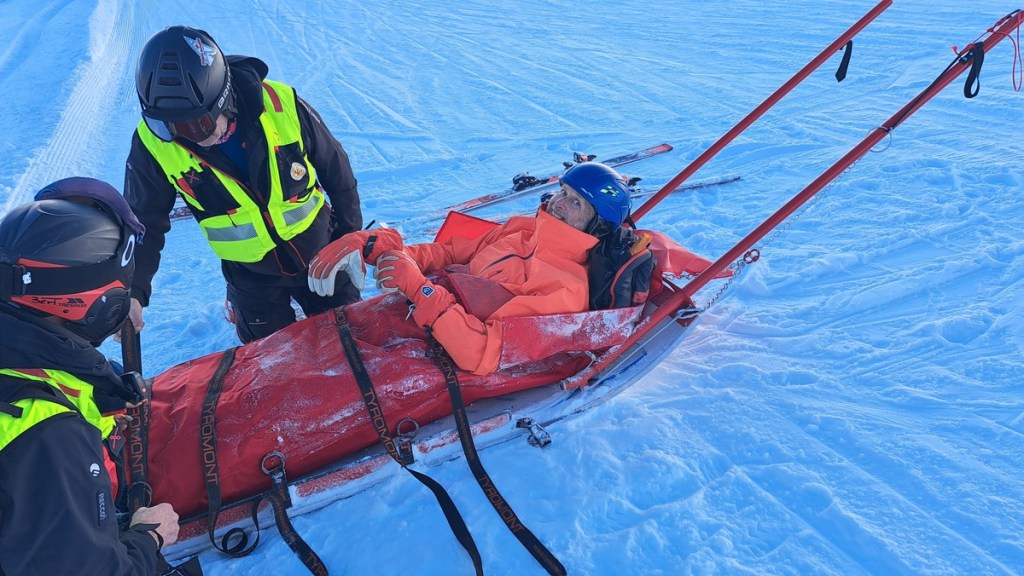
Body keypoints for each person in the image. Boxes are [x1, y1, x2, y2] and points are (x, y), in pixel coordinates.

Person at [125, 26, 363, 343]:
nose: (189, 138)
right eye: (168, 127)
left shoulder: (281, 104)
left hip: (320, 249)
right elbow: (143, 222)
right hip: (251, 276)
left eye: (199, 124)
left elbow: (336, 169)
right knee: (270, 362)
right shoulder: (154, 146)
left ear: (225, 99)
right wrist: (133, 290)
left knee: (353, 337)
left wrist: (350, 238)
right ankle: (240, 307)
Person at [309, 161, 649, 375]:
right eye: (562, 191)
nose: (557, 203)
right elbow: (451, 251)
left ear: (598, 226)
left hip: (428, 353)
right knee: (309, 346)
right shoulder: (524, 227)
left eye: (576, 203)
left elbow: (482, 355)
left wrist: (420, 288)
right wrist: (385, 246)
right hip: (409, 319)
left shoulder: (564, 289)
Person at [0, 178, 181, 575]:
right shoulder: (49, 435)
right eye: (118, 291)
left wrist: (107, 384)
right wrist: (147, 539)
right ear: (87, 304)